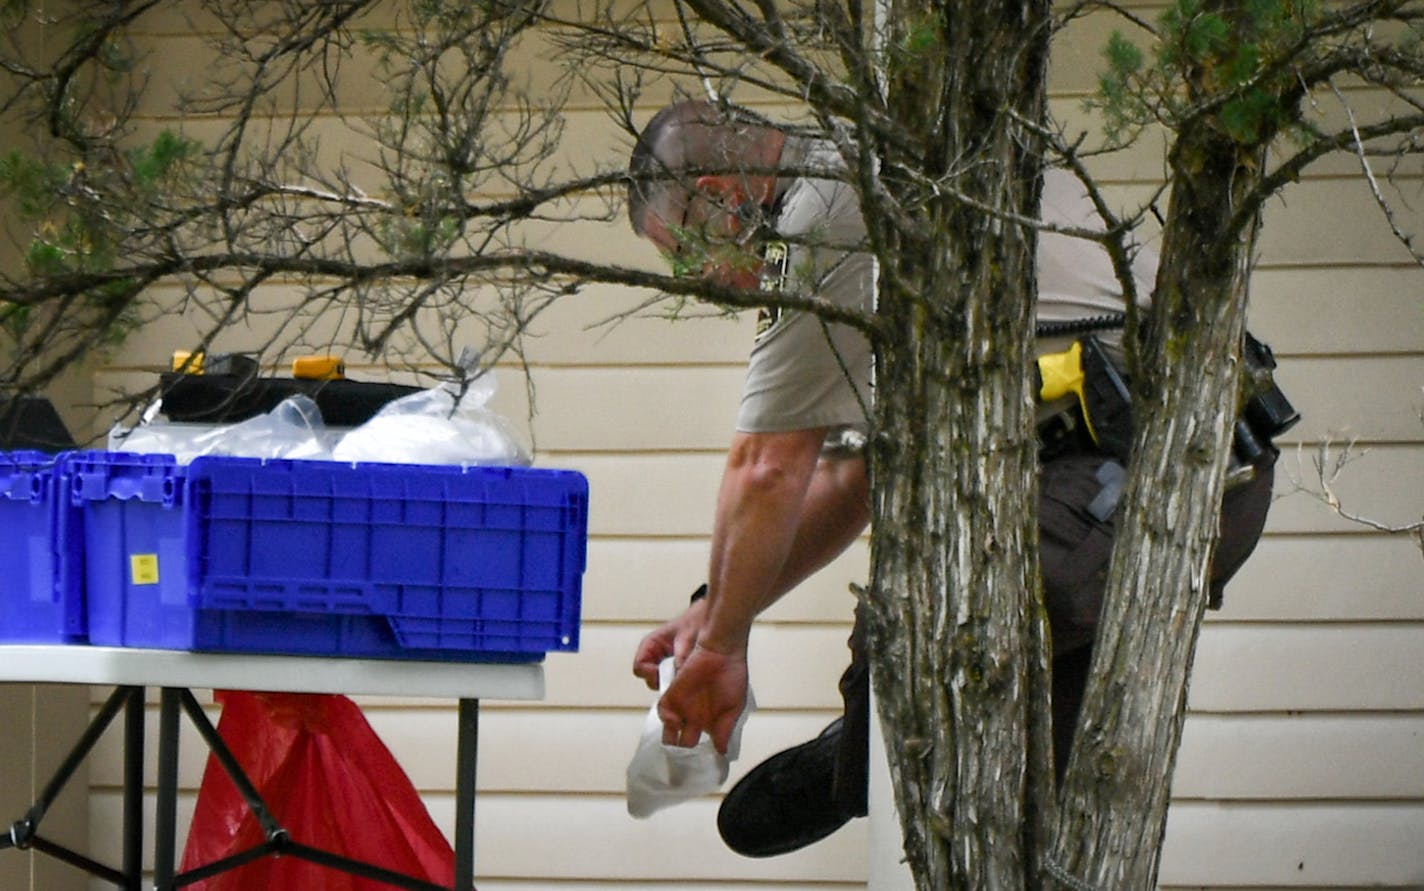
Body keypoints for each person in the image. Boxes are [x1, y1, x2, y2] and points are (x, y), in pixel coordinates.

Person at [625, 99, 1278, 858]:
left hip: (1156, 471)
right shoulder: (874, 187)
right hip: (1113, 483)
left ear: (722, 193)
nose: (707, 282)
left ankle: (867, 743)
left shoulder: (824, 210)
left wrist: (722, 649)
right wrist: (714, 613)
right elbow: (849, 480)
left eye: (689, 255)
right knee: (1044, 810)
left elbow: (767, 467)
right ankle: (876, 744)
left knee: (920, 621)